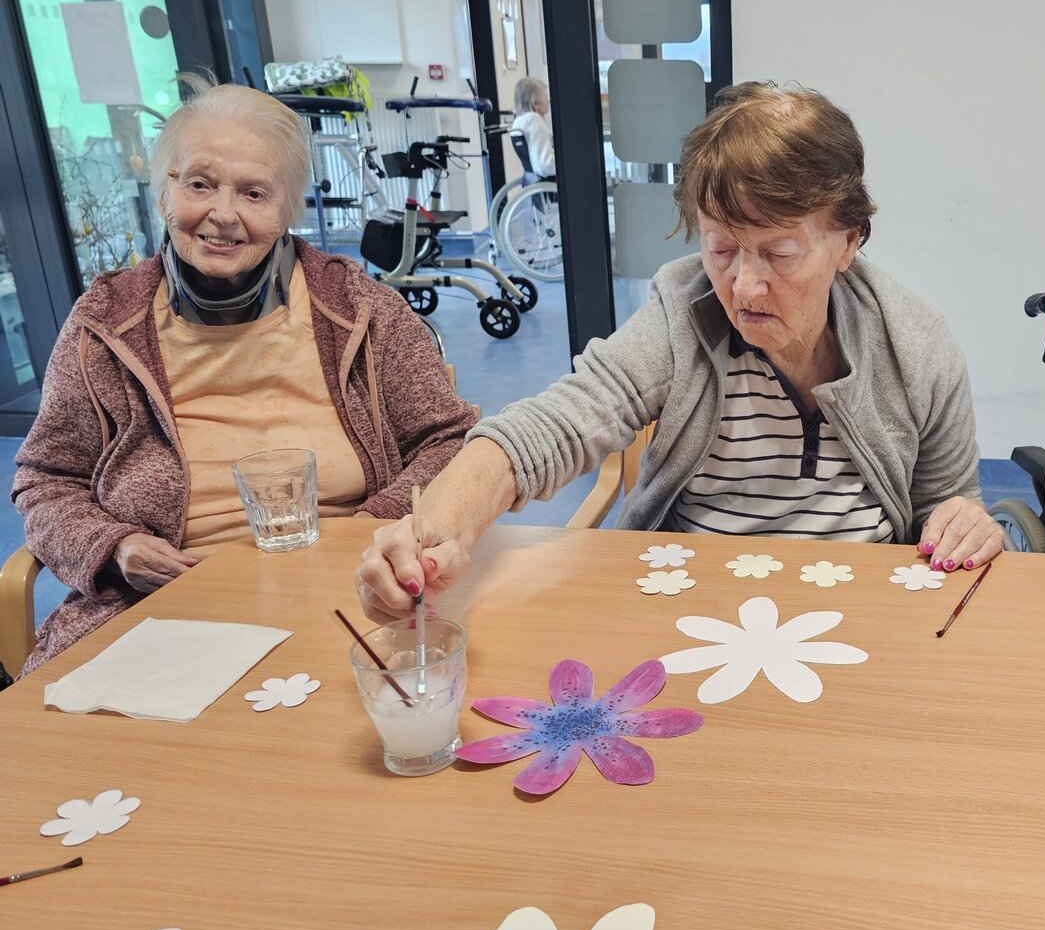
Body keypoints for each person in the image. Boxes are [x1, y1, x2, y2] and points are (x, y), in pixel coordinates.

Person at [357, 82, 1001, 620]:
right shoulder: (683, 314)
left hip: (864, 612)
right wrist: (436, 525)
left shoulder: (915, 344)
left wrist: (963, 521)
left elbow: (949, 503)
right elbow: (555, 424)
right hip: (694, 607)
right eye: (721, 249)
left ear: (848, 242)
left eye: (779, 254)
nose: (743, 286)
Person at [12, 79, 478, 672]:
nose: (223, 214)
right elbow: (46, 479)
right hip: (161, 608)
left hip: (349, 594)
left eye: (254, 193)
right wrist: (114, 546)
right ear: (163, 192)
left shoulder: (360, 309)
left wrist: (373, 529)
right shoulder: (105, 324)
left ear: (287, 210)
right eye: (199, 184)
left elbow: (448, 441)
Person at [510, 76, 556, 179]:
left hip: (530, 178)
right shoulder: (534, 120)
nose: (548, 101)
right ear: (535, 103)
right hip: (547, 180)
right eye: (546, 98)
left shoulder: (519, 120)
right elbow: (545, 165)